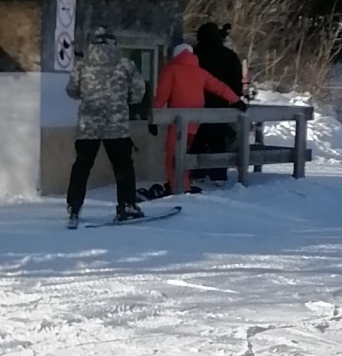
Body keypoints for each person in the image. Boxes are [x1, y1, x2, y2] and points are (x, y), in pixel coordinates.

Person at [65, 25, 142, 225]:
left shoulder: (82, 65)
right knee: (123, 166)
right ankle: (127, 204)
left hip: (88, 125)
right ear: (112, 42)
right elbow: (138, 93)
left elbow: (72, 91)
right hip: (116, 126)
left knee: (82, 166)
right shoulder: (125, 64)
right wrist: (122, 100)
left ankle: (74, 206)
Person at [153, 38, 241, 192]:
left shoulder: (171, 70)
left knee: (172, 155)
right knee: (185, 152)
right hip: (196, 120)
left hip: (177, 120)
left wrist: (154, 117)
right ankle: (183, 182)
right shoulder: (200, 72)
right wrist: (236, 100)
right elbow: (218, 86)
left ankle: (178, 187)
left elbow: (162, 94)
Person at [192, 21, 246, 179]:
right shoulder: (229, 56)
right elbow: (236, 85)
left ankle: (197, 173)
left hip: (196, 105)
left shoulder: (194, 56)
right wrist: (235, 99)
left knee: (198, 141)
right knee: (218, 141)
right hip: (222, 105)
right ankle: (218, 175)